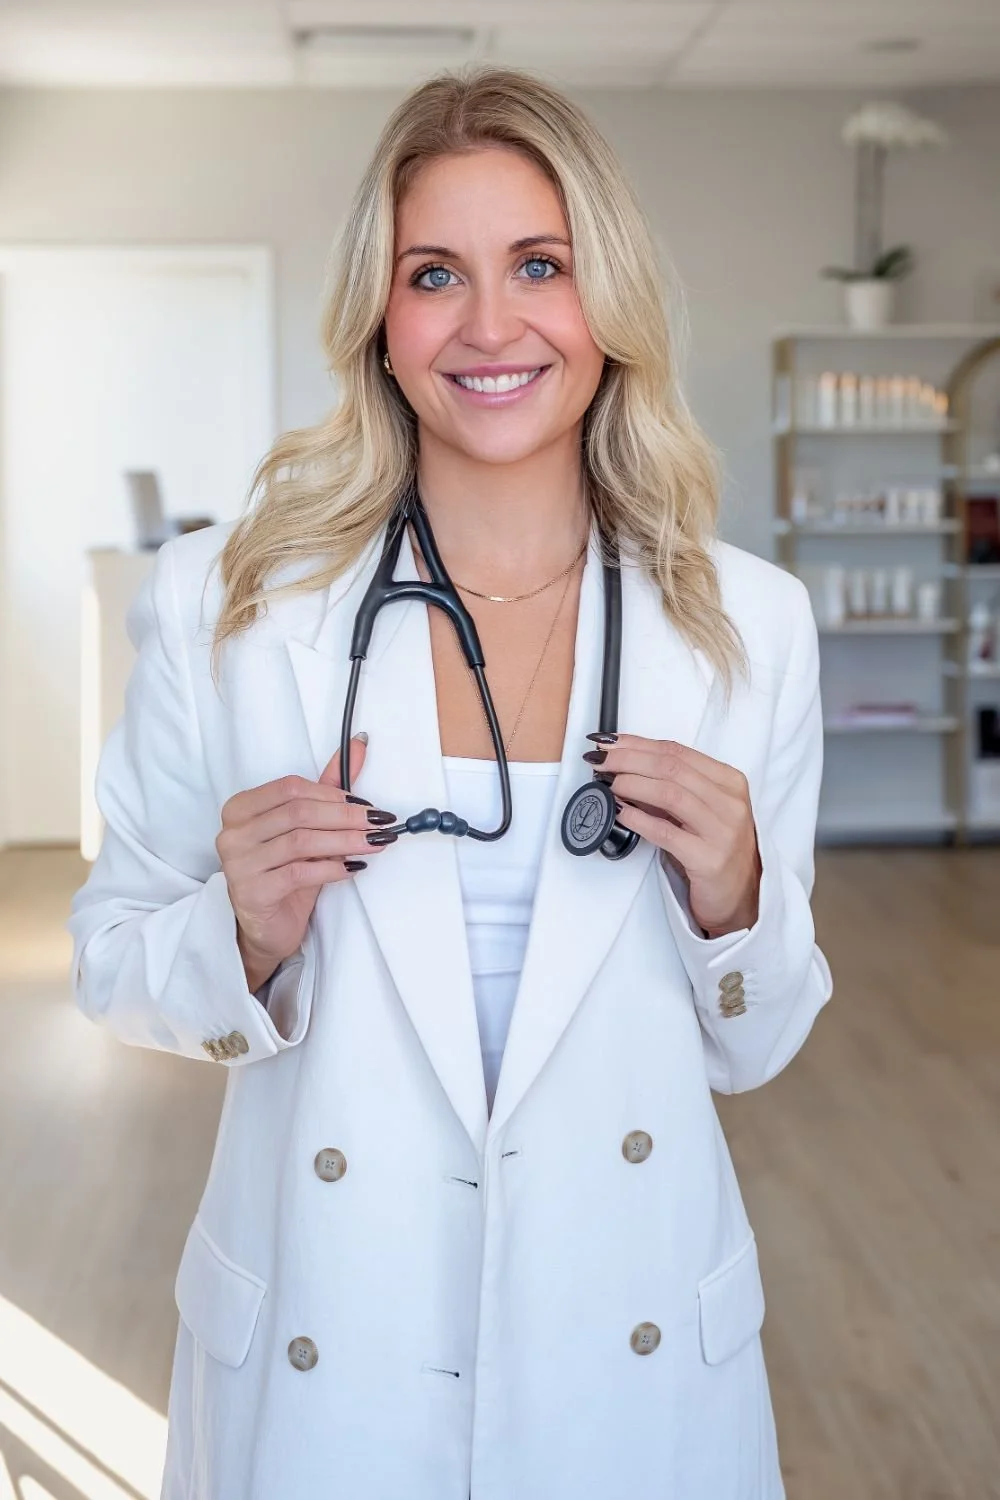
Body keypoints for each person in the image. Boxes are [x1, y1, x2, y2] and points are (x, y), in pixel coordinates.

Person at [69, 66, 833, 1500]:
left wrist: (738, 899)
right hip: (329, 1332)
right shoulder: (226, 609)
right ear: (379, 314)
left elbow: (758, 1044)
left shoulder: (747, 628)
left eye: (540, 264)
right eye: (435, 274)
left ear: (608, 298)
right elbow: (112, 961)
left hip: (628, 1337)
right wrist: (242, 933)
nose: (490, 325)